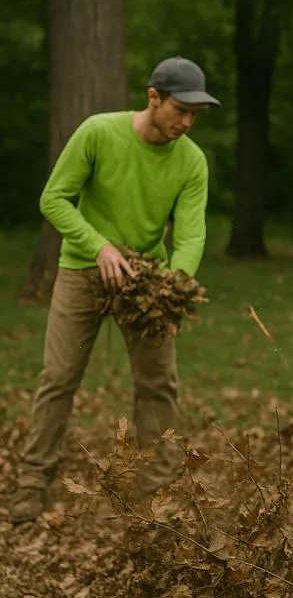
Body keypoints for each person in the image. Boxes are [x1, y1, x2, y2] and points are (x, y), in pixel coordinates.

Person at [9, 56, 219, 525]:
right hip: (83, 271)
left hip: (147, 280)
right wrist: (99, 246)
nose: (187, 122)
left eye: (194, 115)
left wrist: (173, 287)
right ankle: (32, 482)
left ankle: (156, 491)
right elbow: (53, 199)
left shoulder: (191, 161)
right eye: (180, 110)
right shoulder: (98, 132)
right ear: (153, 97)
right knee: (58, 378)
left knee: (158, 383)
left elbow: (190, 235)